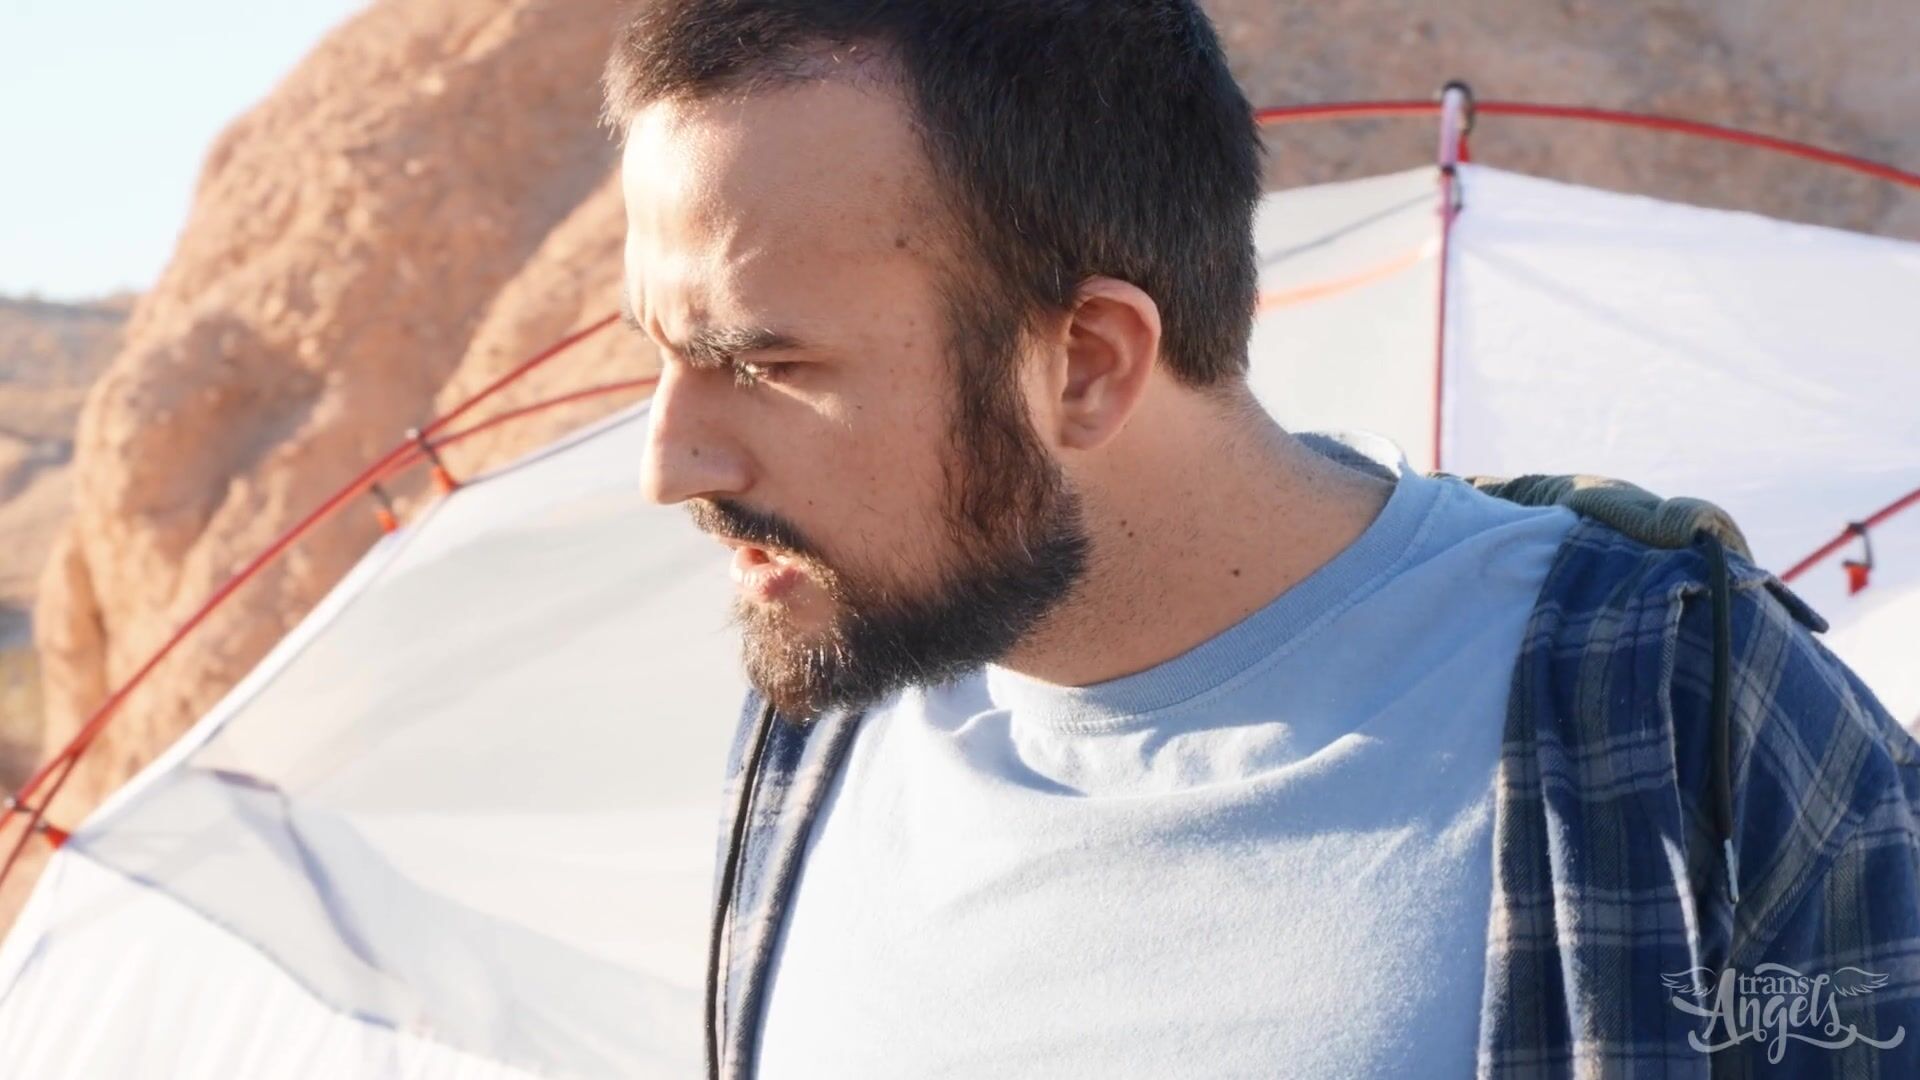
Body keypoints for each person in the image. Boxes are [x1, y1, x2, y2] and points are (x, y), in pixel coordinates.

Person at [601, 2, 1920, 1076]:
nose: (671, 466)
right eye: (660, 352)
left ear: (1088, 362)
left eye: (764, 363)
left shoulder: (1657, 712)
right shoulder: (828, 709)